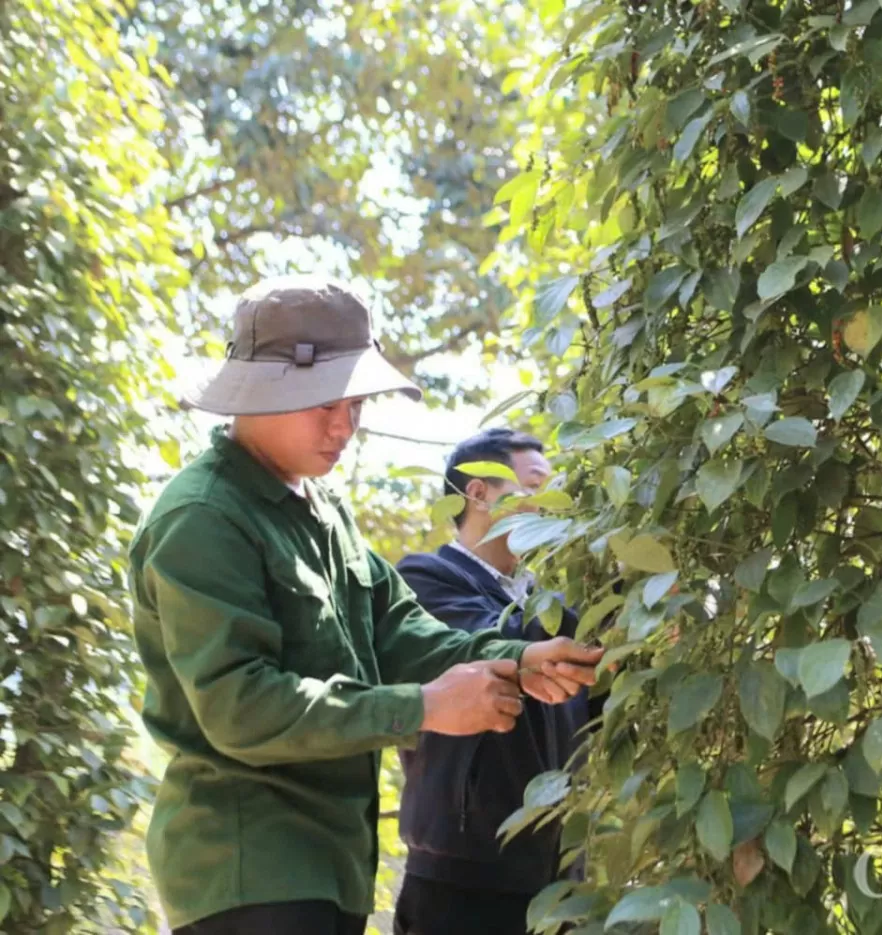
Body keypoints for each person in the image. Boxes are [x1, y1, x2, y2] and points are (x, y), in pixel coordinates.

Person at [128, 276, 603, 935]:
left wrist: (520, 658)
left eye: (355, 402)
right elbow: (242, 705)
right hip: (248, 873)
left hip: (331, 868)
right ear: (257, 394)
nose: (344, 424)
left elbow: (404, 632)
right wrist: (425, 706)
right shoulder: (204, 518)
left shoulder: (323, 514)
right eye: (323, 402)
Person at [391, 428, 598, 935]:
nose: (552, 503)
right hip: (463, 873)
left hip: (557, 880)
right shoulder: (423, 580)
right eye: (535, 485)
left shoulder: (556, 603)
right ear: (477, 492)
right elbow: (503, 644)